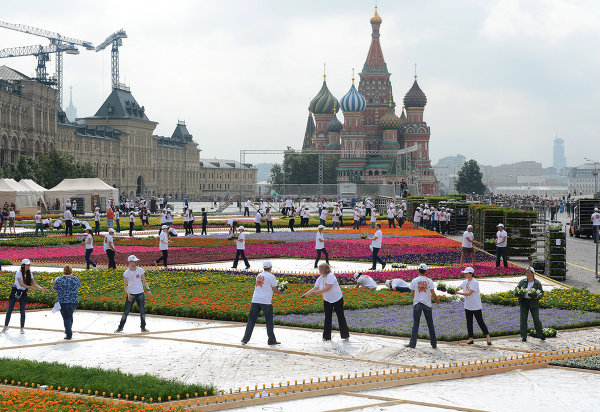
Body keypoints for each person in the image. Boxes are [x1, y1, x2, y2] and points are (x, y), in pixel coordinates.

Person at [302, 263, 349, 342]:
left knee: (340, 317)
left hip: (337, 299)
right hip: (327, 299)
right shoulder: (320, 278)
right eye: (319, 269)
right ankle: (326, 337)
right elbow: (315, 288)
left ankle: (345, 335)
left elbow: (328, 287)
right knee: (327, 317)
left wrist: (318, 292)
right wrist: (306, 294)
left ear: (326, 269)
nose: (320, 271)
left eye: (322, 269)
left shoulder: (330, 276)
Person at [241, 261, 284, 345]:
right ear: (270, 267)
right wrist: (282, 292)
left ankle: (245, 338)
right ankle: (271, 340)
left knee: (251, 320)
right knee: (269, 321)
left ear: (263, 267)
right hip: (266, 301)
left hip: (255, 300)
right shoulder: (272, 277)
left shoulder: (259, 275)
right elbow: (275, 291)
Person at [2, 259, 47, 334]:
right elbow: (21, 284)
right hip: (16, 291)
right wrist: (30, 287)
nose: (28, 266)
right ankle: (5, 327)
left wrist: (41, 288)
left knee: (22, 311)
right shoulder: (18, 273)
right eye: (27, 265)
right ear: (23, 265)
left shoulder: (30, 273)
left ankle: (21, 328)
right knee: (10, 309)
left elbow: (34, 283)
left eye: (29, 265)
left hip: (23, 293)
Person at [405, 263, 440, 349]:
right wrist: (436, 300)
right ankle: (434, 343)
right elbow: (433, 293)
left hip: (417, 303)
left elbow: (412, 294)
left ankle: (412, 343)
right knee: (430, 323)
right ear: (426, 271)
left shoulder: (414, 280)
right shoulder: (429, 281)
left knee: (416, 324)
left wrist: (417, 298)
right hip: (427, 303)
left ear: (418, 270)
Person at [454, 267, 492, 345]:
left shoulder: (475, 282)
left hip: (475, 306)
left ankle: (488, 337)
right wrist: (449, 290)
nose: (464, 274)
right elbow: (457, 288)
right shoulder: (465, 282)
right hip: (468, 305)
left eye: (466, 273)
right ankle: (470, 338)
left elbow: (469, 293)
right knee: (469, 322)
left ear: (471, 274)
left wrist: (457, 293)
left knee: (480, 322)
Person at [115, 255, 152, 333]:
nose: (136, 262)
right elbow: (125, 286)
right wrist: (128, 293)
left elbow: (144, 282)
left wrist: (148, 290)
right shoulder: (126, 273)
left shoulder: (140, 270)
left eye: (136, 261)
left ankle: (143, 327)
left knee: (142, 311)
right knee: (126, 312)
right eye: (134, 261)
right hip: (131, 294)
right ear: (130, 262)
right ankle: (120, 327)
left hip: (140, 294)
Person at [52, 265, 81, 340]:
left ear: (64, 270)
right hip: (74, 301)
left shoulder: (59, 279)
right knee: (70, 316)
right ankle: (68, 330)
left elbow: (54, 289)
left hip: (63, 301)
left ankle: (68, 333)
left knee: (66, 317)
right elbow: (78, 287)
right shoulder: (75, 279)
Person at [517, 267, 545, 342]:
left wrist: (537, 296)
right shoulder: (522, 282)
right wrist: (518, 293)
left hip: (534, 303)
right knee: (523, 319)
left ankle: (540, 334)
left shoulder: (537, 283)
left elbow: (542, 292)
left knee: (536, 319)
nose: (527, 274)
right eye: (526, 272)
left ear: (533, 273)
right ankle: (523, 336)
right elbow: (516, 290)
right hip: (524, 302)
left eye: (528, 273)